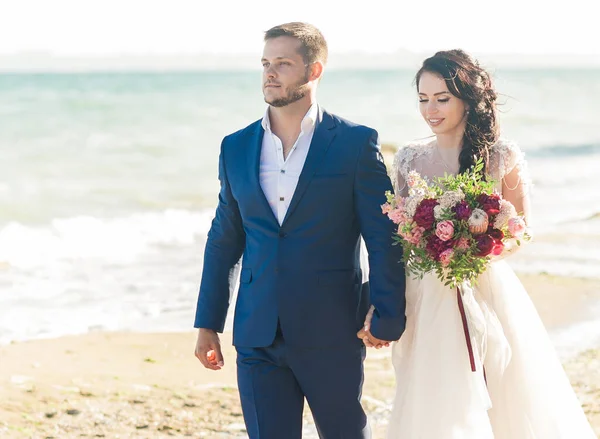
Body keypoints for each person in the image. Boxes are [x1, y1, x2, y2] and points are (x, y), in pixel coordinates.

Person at [368, 49, 597, 438]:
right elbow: (400, 233)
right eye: (423, 99)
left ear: (467, 99)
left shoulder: (501, 156)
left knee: (499, 386)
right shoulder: (408, 158)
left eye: (442, 99)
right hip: (425, 291)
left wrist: (473, 250)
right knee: (432, 388)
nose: (430, 110)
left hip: (486, 286)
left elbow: (520, 230)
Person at [193, 22, 406, 439]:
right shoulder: (235, 146)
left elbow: (383, 238)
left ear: (314, 71)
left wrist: (386, 313)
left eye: (284, 64)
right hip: (257, 332)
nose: (270, 74)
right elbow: (224, 240)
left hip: (332, 328)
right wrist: (208, 322)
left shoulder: (354, 143)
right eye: (266, 64)